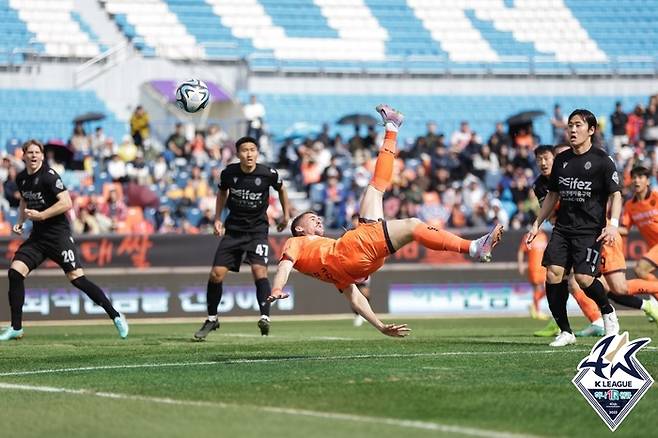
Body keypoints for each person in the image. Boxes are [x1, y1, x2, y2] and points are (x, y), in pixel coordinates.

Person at [266, 105, 504, 337]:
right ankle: (473, 247)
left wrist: (379, 326)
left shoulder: (321, 259)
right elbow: (284, 267)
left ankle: (392, 126)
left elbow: (356, 298)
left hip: (357, 255)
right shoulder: (295, 243)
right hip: (354, 248)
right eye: (310, 218)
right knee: (412, 225)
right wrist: (277, 288)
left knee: (376, 187)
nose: (317, 219)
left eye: (316, 216)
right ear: (298, 228)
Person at [0, 140, 128, 341]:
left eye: (37, 152)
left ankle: (116, 315)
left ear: (42, 156)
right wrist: (20, 221)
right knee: (15, 273)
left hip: (58, 236)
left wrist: (41, 216)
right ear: (23, 156)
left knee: (78, 279)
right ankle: (16, 327)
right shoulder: (22, 178)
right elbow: (25, 199)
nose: (33, 156)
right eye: (29, 152)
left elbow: (66, 203)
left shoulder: (49, 176)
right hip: (38, 237)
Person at [528, 109, 622, 347]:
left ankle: (608, 312)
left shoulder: (603, 161)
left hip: (590, 230)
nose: (572, 129)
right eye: (570, 125)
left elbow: (617, 195)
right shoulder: (561, 160)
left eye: (578, 125)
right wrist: (537, 223)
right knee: (553, 274)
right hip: (563, 229)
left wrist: (613, 225)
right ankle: (565, 331)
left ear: (591, 130)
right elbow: (552, 196)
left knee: (583, 278)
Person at [193, 136, 290, 340]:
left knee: (259, 271)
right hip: (234, 231)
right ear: (238, 154)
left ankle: (265, 317)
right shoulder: (229, 173)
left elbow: (282, 190)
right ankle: (212, 319)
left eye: (252, 149)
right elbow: (221, 193)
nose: (249, 154)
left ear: (257, 152)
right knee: (215, 275)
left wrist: (286, 215)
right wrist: (218, 219)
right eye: (245, 150)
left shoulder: (268, 173)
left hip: (257, 231)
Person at [528, 145, 604, 338]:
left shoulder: (570, 174)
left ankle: (603, 317)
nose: (543, 163)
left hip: (586, 232)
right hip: (562, 232)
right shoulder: (538, 185)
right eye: (539, 160)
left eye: (547, 158)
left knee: (587, 280)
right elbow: (551, 215)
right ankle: (583, 322)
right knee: (561, 278)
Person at [619, 165, 658, 299]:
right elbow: (625, 229)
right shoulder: (630, 205)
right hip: (654, 247)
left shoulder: (656, 197)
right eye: (634, 177)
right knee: (641, 271)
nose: (636, 180)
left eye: (640, 177)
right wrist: (607, 227)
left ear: (648, 181)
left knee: (640, 269)